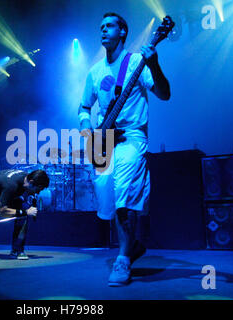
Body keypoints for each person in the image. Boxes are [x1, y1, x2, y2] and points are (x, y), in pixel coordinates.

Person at [78, 12, 171, 286]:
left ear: (123, 32)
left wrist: (154, 65)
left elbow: (165, 94)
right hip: (104, 141)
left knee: (123, 196)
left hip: (131, 138)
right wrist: (89, 129)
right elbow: (84, 107)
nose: (103, 31)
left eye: (109, 26)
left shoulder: (136, 64)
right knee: (105, 195)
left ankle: (122, 259)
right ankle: (133, 247)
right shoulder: (94, 72)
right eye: (101, 26)